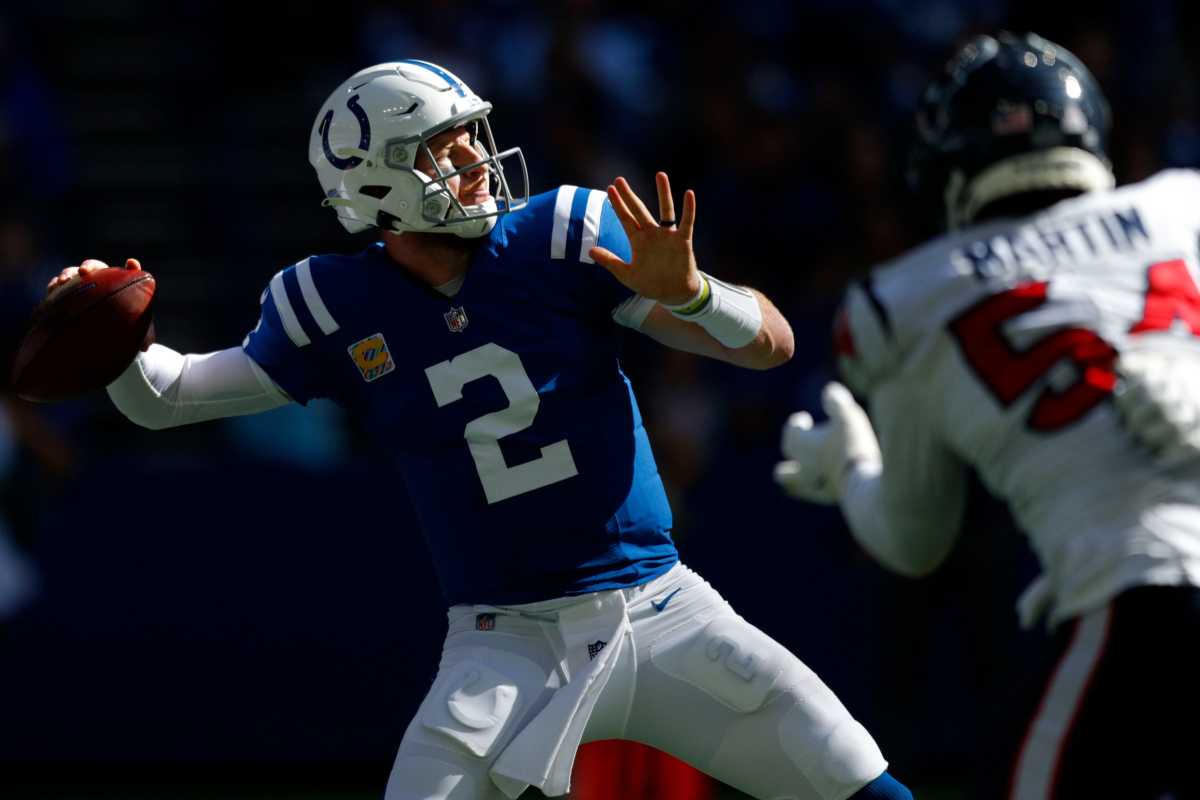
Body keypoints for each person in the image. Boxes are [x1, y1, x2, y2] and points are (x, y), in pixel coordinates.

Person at [48, 61, 912, 800]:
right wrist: (119, 340)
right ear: (376, 182)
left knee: (863, 784)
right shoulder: (333, 302)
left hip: (665, 608)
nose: (474, 158)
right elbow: (171, 396)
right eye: (442, 146)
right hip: (502, 645)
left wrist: (692, 295)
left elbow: (771, 343)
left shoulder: (561, 236)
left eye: (470, 134)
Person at [774, 31, 1200, 799]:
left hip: (1140, 601)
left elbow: (914, 537)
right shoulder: (1182, 206)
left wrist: (849, 468)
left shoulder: (907, 304)